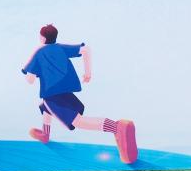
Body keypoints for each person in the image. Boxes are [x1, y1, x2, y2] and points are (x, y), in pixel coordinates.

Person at [22, 24, 138, 163]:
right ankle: (45, 134)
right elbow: (85, 49)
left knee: (77, 121)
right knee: (46, 107)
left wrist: (32, 65)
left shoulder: (38, 53)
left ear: (42, 38)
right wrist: (88, 73)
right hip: (65, 91)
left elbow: (30, 80)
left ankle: (116, 127)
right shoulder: (61, 48)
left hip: (52, 94)